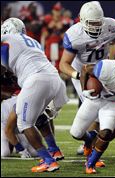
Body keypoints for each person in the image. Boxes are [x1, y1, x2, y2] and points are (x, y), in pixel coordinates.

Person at [59, 1, 115, 159]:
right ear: (82, 20)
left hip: (104, 69)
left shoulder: (110, 26)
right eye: (92, 23)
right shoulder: (74, 35)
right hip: (82, 73)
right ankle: (89, 142)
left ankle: (91, 143)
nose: (96, 27)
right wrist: (78, 76)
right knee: (93, 105)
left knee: (103, 107)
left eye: (98, 22)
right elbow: (63, 64)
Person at [1, 17, 68, 172]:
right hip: (54, 79)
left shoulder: (6, 39)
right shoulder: (31, 41)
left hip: (36, 80)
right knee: (38, 117)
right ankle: (54, 149)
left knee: (24, 124)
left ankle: (48, 160)